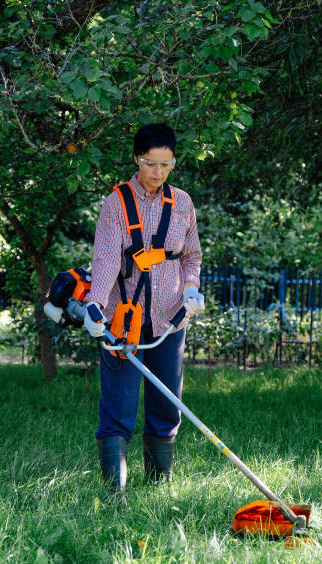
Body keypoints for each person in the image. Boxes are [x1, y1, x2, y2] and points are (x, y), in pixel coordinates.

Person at [83, 123, 204, 494]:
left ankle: (157, 489)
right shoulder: (116, 203)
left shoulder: (182, 203)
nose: (158, 172)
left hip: (170, 318)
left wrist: (191, 290)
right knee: (118, 408)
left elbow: (191, 256)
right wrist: (95, 306)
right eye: (152, 163)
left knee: (166, 404)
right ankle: (114, 495)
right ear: (138, 159)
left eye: (166, 164)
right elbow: (105, 260)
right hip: (123, 321)